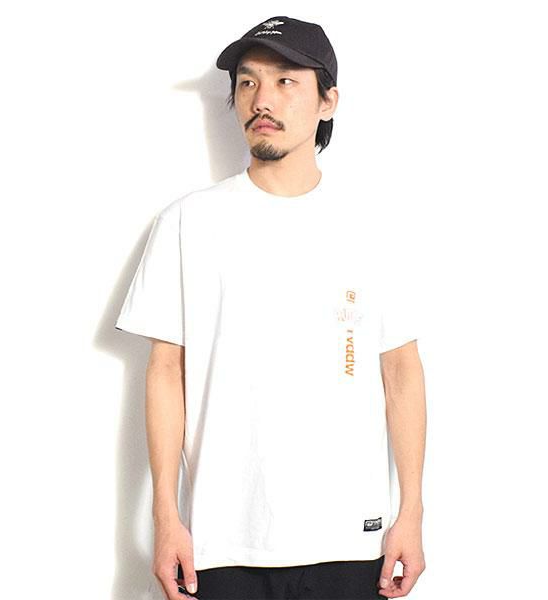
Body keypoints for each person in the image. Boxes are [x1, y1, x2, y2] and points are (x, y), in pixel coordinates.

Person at [115, 15, 427, 600]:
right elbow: (165, 373)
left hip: (349, 540)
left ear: (327, 101)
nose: (262, 99)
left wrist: (411, 511)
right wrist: (165, 516)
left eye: (286, 81)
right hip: (220, 542)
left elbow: (401, 371)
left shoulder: (370, 227)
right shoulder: (188, 222)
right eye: (249, 82)